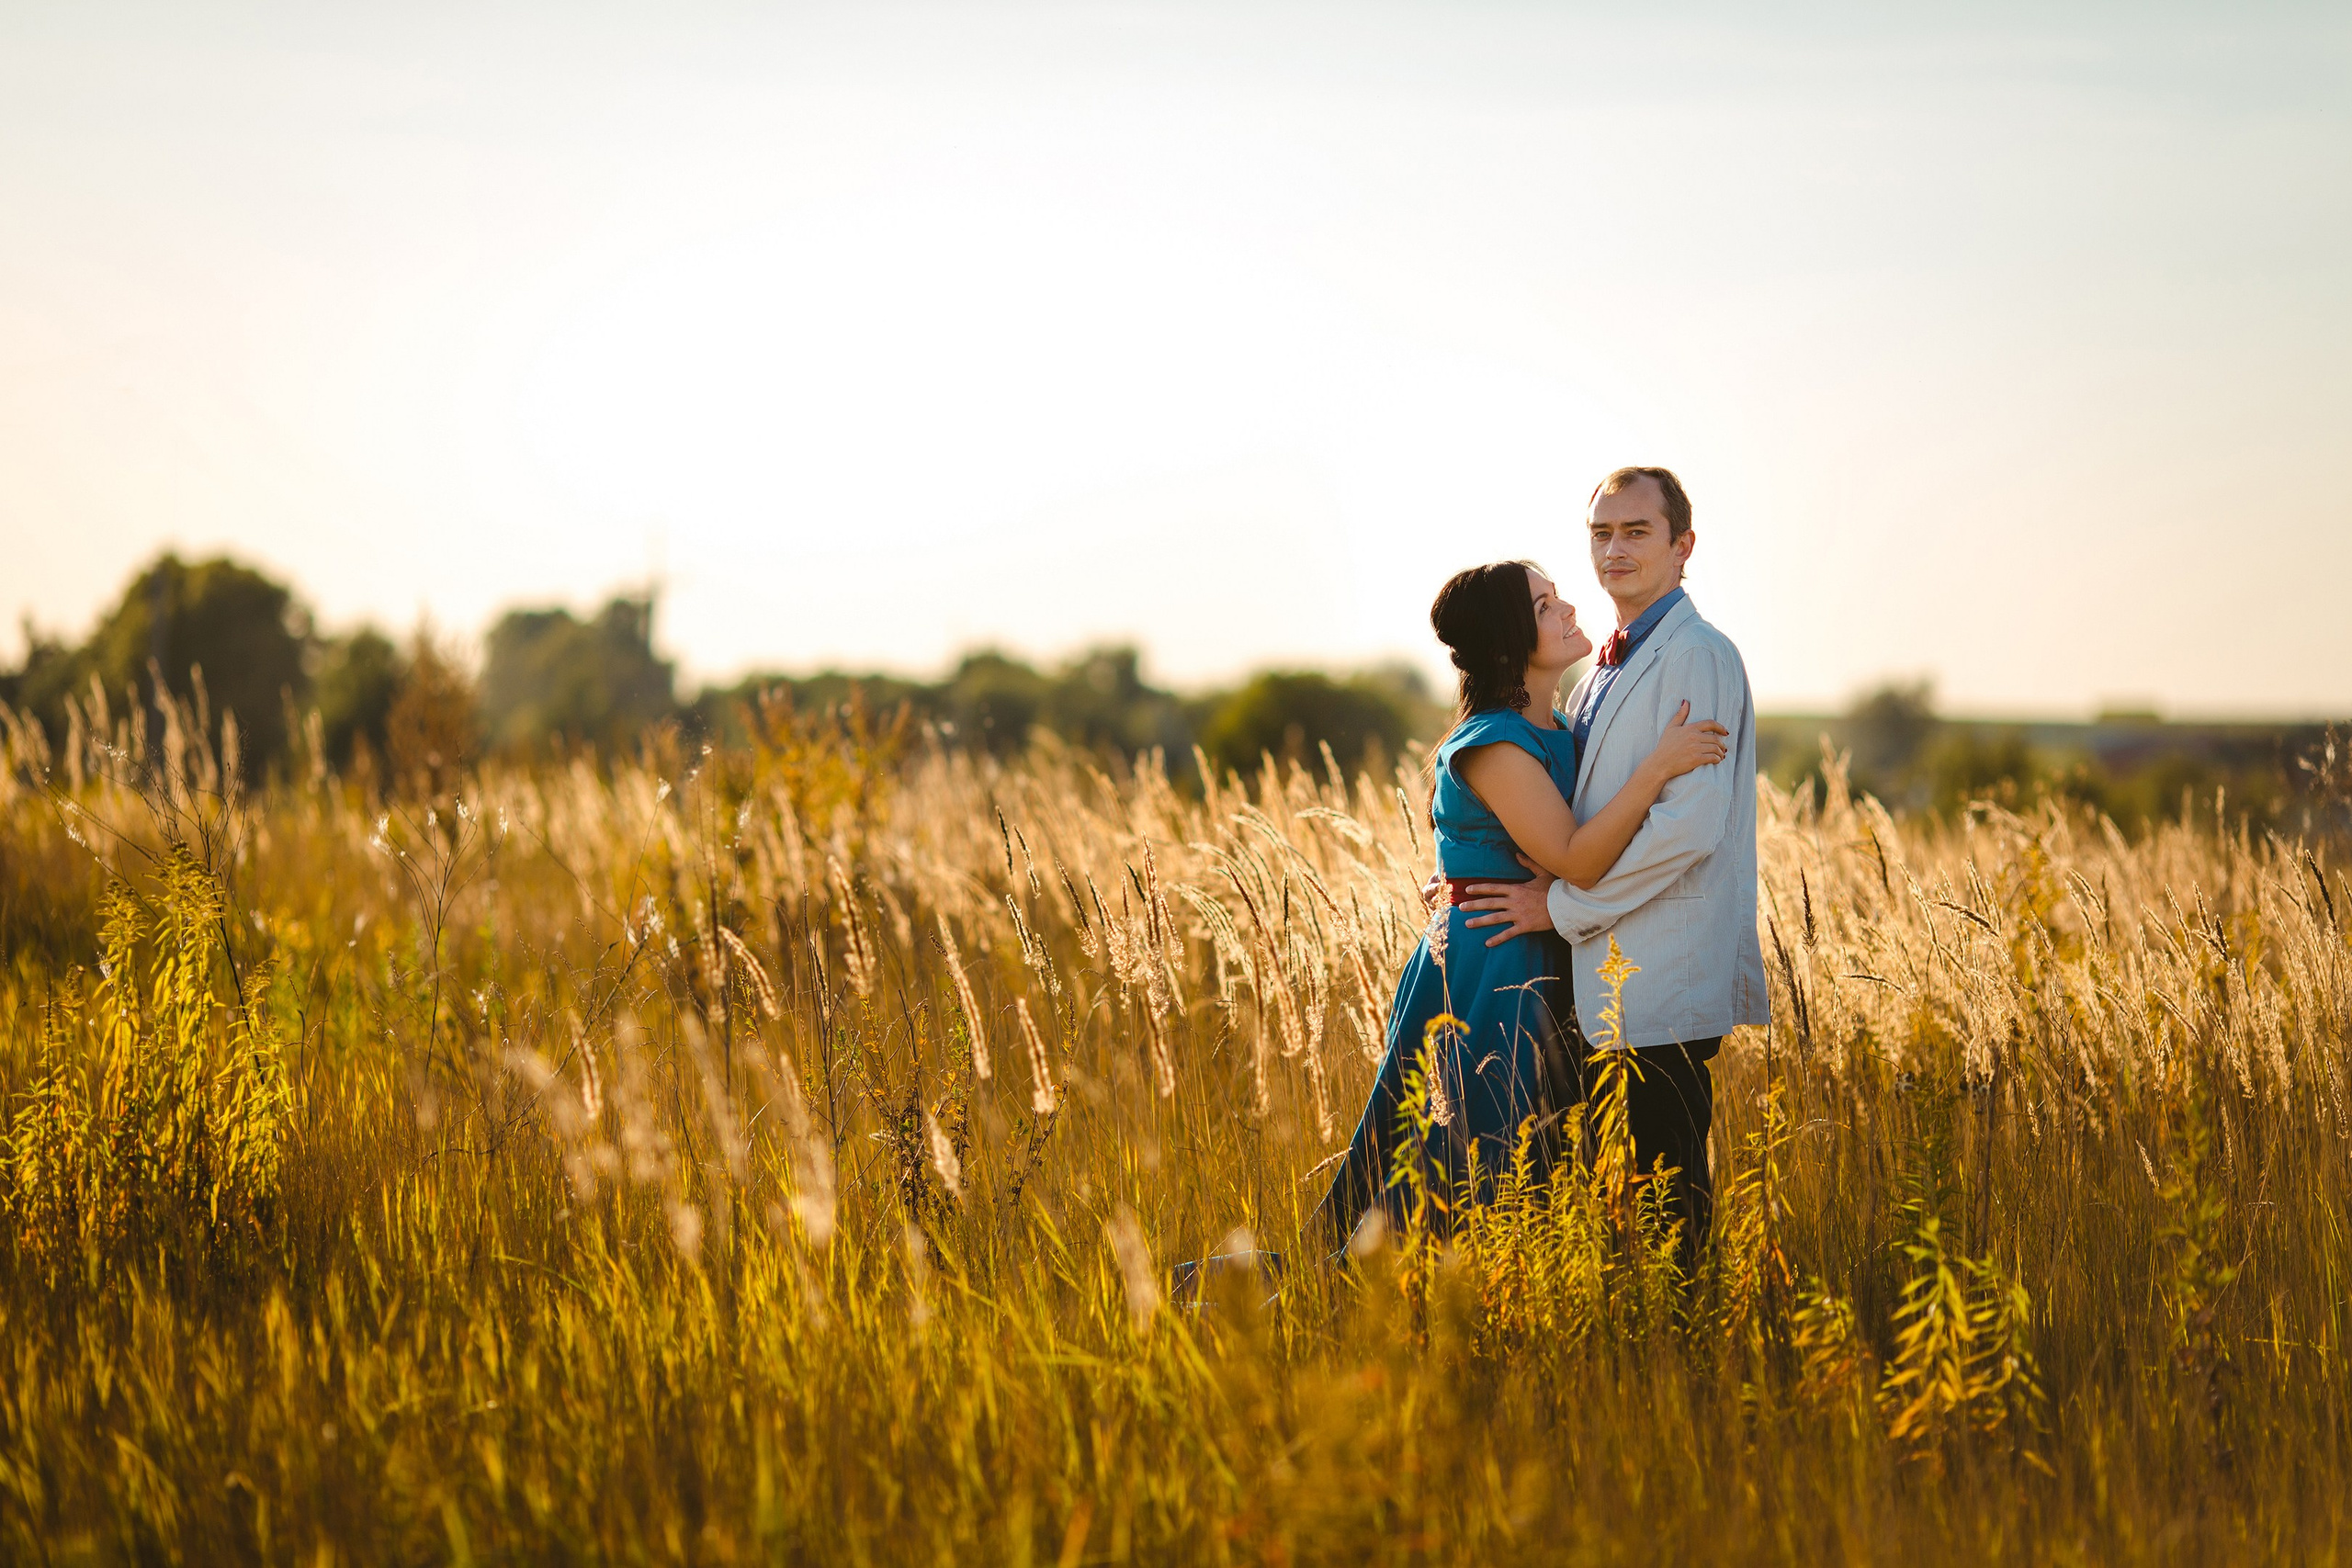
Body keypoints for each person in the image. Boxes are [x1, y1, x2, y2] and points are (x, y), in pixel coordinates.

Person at [1312, 558, 1727, 1245]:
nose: (1567, 609)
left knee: (1541, 1156)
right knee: (1470, 1153)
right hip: (1493, 962)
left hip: (1545, 946)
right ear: (1508, 642)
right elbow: (1578, 857)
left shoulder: (1560, 727)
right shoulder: (1495, 744)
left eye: (1557, 597)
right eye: (1543, 606)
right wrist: (1661, 764)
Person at [1458, 467, 1769, 1266]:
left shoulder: (1697, 655)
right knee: (1610, 1211)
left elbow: (1687, 831)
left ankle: (1686, 1372)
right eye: (1601, 533)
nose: (1615, 548)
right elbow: (1562, 807)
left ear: (1682, 545)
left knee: (1669, 1211)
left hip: (1661, 979)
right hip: (1602, 984)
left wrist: (1559, 907)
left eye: (1636, 531)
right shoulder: (1598, 669)